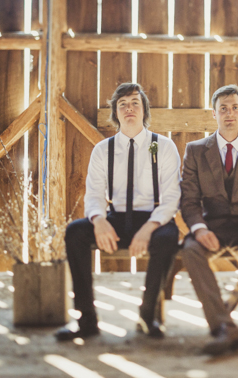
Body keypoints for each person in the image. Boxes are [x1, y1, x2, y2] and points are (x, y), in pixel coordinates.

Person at [56, 83, 181, 341]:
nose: (129, 108)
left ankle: (148, 317)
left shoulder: (163, 146)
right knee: (75, 232)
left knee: (168, 237)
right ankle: (86, 319)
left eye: (135, 102)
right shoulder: (103, 150)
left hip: (152, 218)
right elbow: (94, 193)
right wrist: (99, 219)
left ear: (144, 109)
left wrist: (149, 227)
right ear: (116, 112)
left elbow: (172, 197)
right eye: (122, 104)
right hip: (115, 218)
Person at [179, 84, 238, 355]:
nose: (229, 113)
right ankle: (225, 326)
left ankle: (223, 317)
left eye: (234, 108)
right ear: (214, 114)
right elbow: (189, 199)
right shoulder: (196, 150)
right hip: (211, 227)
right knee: (190, 252)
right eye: (223, 108)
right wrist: (198, 229)